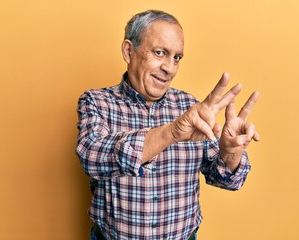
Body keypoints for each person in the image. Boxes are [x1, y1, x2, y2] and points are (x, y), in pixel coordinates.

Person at [76, 10, 259, 240]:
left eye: (177, 57)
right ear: (128, 51)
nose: (169, 68)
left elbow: (226, 179)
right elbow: (91, 157)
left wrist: (230, 153)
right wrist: (171, 133)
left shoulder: (191, 107)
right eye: (160, 53)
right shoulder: (97, 102)